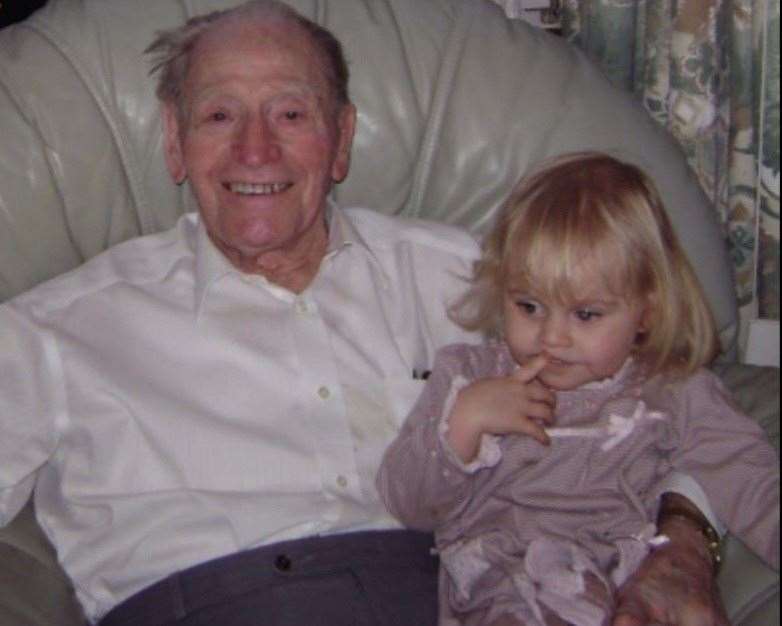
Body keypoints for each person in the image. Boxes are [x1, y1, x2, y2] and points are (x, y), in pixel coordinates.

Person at [0, 2, 740, 625]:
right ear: (173, 140)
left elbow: (671, 389)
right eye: (220, 114)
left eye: (291, 112)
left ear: (343, 138)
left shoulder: (474, 279)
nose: (254, 149)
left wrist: (682, 543)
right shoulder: (59, 329)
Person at [377, 152, 780, 626]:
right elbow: (407, 503)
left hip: (620, 586)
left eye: (585, 314)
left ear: (646, 311)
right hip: (502, 589)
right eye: (529, 306)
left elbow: (748, 478)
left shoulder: (673, 389)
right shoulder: (468, 376)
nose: (552, 337)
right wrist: (462, 426)